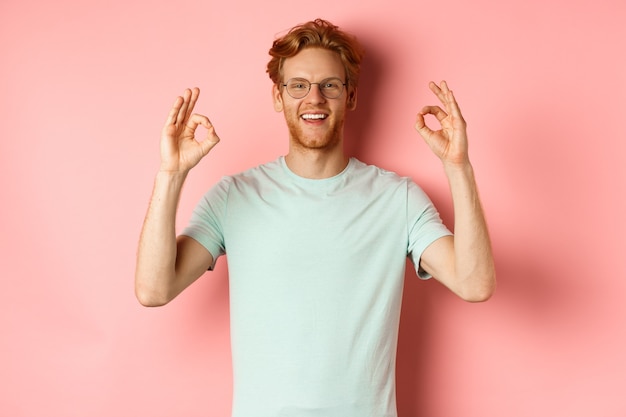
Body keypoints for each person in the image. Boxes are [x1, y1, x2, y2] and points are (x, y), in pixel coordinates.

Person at [135, 18, 495, 417]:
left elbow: (474, 283)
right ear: (278, 96)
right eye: (299, 85)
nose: (315, 98)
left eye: (330, 85)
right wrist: (171, 175)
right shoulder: (233, 198)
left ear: (351, 96)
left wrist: (459, 167)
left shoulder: (398, 200)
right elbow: (154, 290)